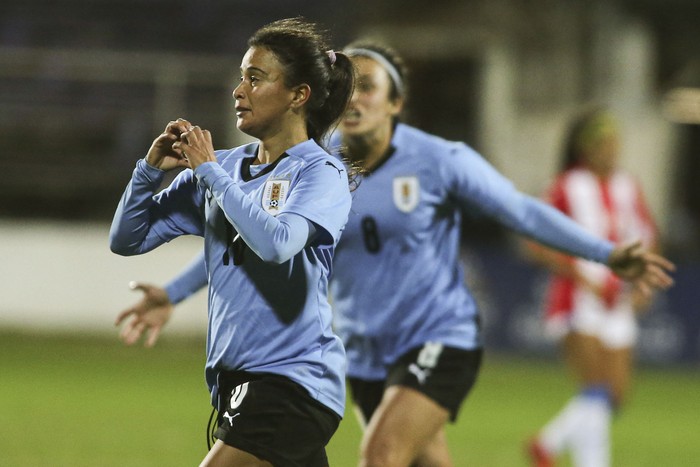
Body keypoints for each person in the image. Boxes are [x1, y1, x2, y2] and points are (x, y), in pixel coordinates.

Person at [116, 43, 674, 467]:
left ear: (396, 103)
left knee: (381, 454)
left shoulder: (438, 161)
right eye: (348, 86)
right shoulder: (314, 168)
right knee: (423, 460)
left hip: (436, 337)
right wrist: (174, 291)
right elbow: (251, 241)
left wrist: (604, 253)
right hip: (363, 349)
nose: (355, 97)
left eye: (370, 88)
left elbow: (520, 212)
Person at [109, 17, 355, 467]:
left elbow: (277, 243)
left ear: (298, 95)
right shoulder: (224, 167)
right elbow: (128, 239)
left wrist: (209, 173)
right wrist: (148, 173)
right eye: (242, 77)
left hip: (291, 381)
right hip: (237, 381)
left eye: (256, 79)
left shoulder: (319, 173)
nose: (239, 90)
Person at [525, 108, 662, 467]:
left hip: (618, 302)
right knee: (595, 389)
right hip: (577, 299)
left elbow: (649, 236)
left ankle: (549, 441)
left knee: (615, 394)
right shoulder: (566, 185)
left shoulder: (627, 186)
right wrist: (582, 277)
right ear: (585, 147)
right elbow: (535, 243)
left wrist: (644, 283)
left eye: (614, 142)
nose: (611, 150)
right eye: (604, 143)